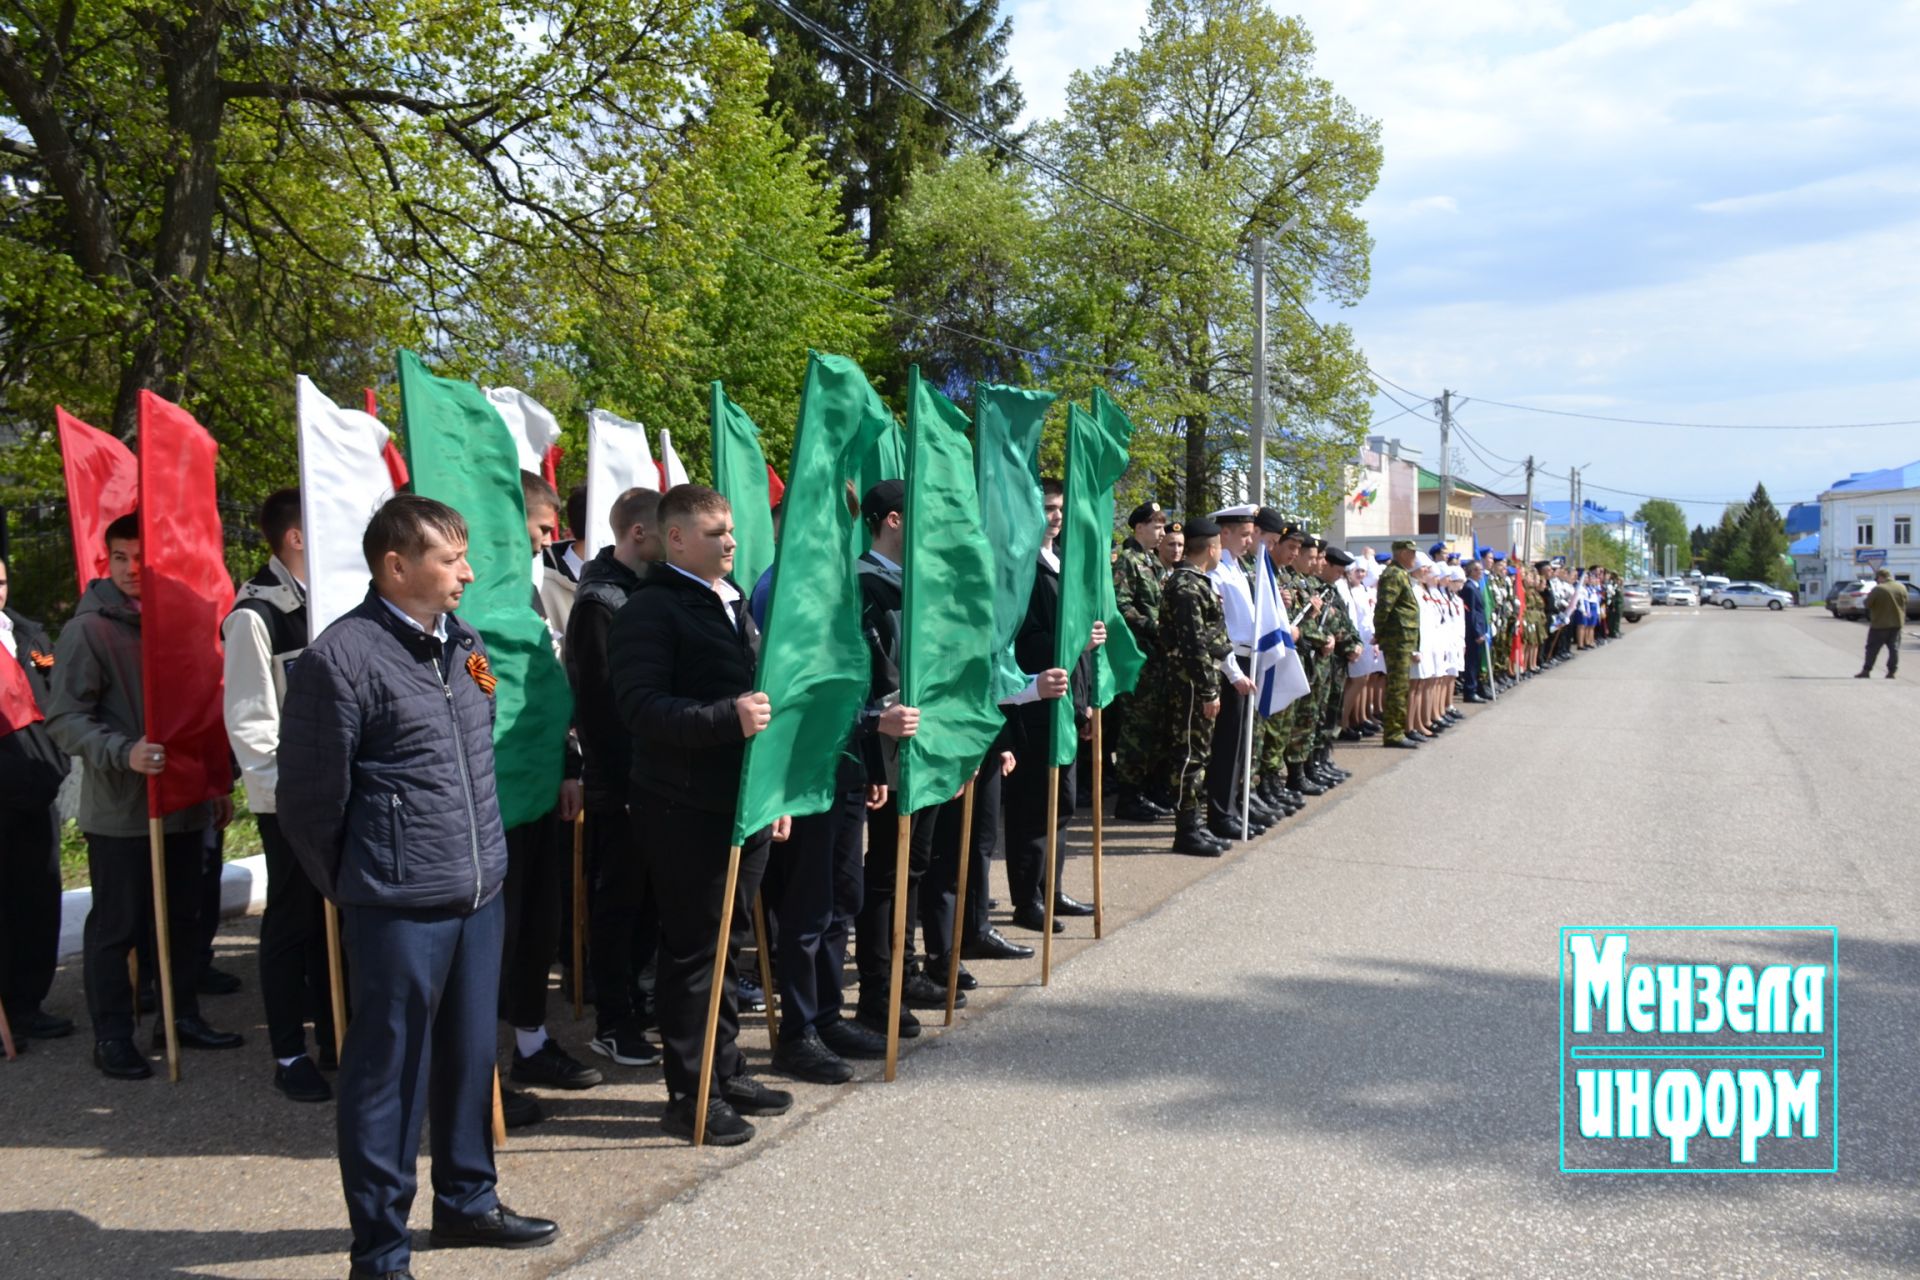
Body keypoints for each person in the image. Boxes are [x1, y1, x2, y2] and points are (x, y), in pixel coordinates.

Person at [279, 494, 559, 1273]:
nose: (467, 572)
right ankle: (380, 1246)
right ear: (395, 566)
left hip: (477, 896)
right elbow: (309, 801)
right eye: (450, 559)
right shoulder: (342, 658)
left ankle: (468, 1202)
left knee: (472, 1058)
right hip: (398, 905)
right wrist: (360, 881)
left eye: (465, 556)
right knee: (388, 1079)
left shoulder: (462, 641)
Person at [608, 483, 793, 1146]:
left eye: (732, 531)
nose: (732, 542)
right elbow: (639, 708)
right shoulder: (650, 611)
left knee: (730, 945)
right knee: (694, 953)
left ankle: (726, 1067)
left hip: (741, 804)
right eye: (715, 532)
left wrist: (771, 793)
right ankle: (689, 1094)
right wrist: (727, 718)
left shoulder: (733, 602)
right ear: (676, 538)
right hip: (683, 805)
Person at [45, 512, 244, 1080]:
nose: (133, 570)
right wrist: (122, 750)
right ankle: (112, 1034)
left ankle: (180, 1018)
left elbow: (204, 704)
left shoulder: (181, 616)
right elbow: (64, 718)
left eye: (142, 558)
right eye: (122, 558)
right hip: (122, 811)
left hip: (185, 803)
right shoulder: (89, 630)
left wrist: (214, 780)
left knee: (183, 917)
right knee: (118, 927)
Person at [222, 487, 337, 1102]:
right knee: (291, 924)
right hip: (291, 802)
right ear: (297, 537)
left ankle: (334, 1034)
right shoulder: (255, 615)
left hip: (340, 794)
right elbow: (250, 723)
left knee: (334, 922)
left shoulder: (333, 602)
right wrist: (280, 801)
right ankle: (289, 1052)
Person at [500, 472, 597, 1123]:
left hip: (538, 792)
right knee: (495, 942)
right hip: (488, 806)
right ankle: (482, 1072)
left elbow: (544, 691)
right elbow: (485, 688)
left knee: (538, 929)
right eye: (540, 529)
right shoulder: (474, 611)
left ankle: (531, 1042)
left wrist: (566, 762)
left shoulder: (533, 601)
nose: (549, 540)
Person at [563, 486, 664, 1067]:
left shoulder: (641, 591)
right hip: (621, 781)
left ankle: (639, 997)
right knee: (619, 902)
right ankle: (614, 1018)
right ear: (636, 534)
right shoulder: (600, 601)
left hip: (651, 778)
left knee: (647, 901)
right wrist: (624, 785)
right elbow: (600, 705)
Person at [1002, 479, 1101, 928]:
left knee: (1062, 801)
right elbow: (1025, 639)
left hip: (1066, 701)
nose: (1056, 516)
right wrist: (1073, 638)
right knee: (1033, 806)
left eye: (1059, 507)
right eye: (1047, 507)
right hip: (1034, 702)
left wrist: (1085, 702)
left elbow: (1076, 641)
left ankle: (1052, 889)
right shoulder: (1023, 568)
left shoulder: (1061, 562)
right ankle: (1028, 900)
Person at [0, 555, 74, 1048]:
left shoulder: (27, 635)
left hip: (36, 787)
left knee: (37, 898)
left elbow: (53, 699)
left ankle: (27, 1003)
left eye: (1, 580)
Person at [1159, 516, 1229, 856]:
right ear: (1212, 548)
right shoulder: (1187, 586)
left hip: (1197, 681)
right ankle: (1186, 830)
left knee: (1199, 754)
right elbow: (1193, 645)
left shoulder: (1196, 582)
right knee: (1189, 757)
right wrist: (1207, 690)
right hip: (1190, 685)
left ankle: (1195, 825)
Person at [1202, 506, 1269, 842]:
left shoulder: (1238, 569)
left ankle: (1231, 809)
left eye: (1250, 533)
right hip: (1229, 665)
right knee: (1226, 745)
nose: (1249, 540)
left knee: (1240, 742)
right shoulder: (1216, 574)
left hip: (1246, 660)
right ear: (1223, 534)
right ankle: (1219, 814)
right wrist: (1231, 672)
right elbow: (1218, 632)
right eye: (1243, 534)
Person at [1111, 502, 1171, 822]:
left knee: (1155, 726)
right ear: (1138, 529)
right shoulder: (1128, 562)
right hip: (1140, 655)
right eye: (1156, 526)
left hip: (1158, 657)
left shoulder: (1153, 562)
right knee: (1136, 727)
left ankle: (1148, 789)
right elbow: (1121, 606)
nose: (1161, 531)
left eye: (1162, 525)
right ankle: (1128, 796)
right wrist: (1152, 626)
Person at [1373, 539, 1421, 749]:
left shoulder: (1401, 573)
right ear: (1401, 553)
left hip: (1403, 638)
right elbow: (1384, 607)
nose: (1414, 557)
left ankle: (1397, 730)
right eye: (1411, 553)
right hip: (1396, 638)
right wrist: (1379, 633)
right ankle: (1393, 733)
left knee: (1401, 687)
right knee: (1397, 687)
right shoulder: (1393, 574)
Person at [1858, 567, 1907, 679]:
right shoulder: (1901, 587)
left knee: (1872, 649)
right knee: (1893, 649)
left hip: (1879, 624)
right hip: (1896, 624)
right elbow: (1905, 602)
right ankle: (1891, 672)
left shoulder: (1878, 589)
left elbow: (1867, 604)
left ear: (1880, 577)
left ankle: (1866, 671)